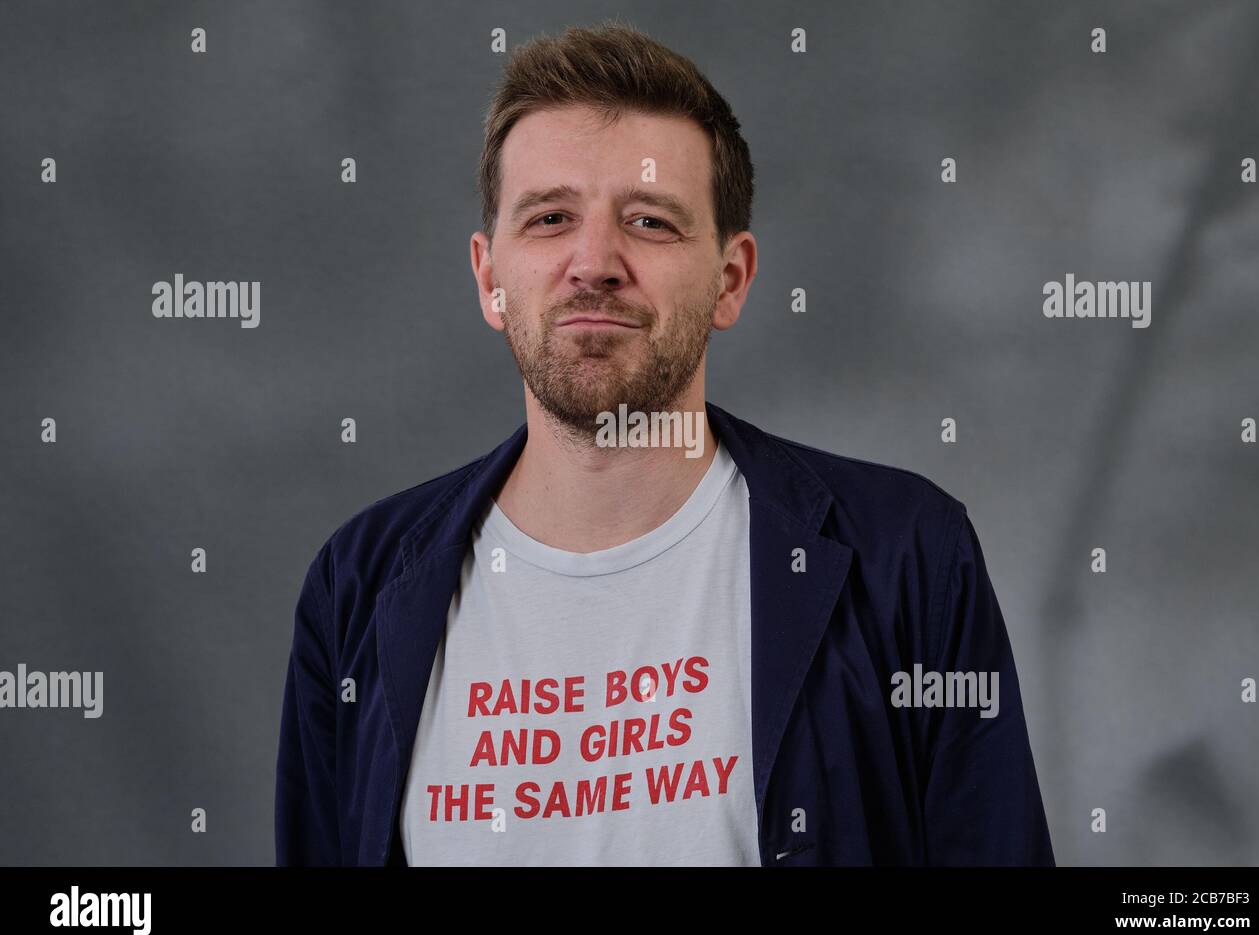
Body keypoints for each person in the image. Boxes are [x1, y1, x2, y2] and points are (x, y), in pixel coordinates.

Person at [275, 20, 1054, 866]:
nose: (594, 261)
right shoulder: (358, 587)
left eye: (649, 221)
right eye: (549, 218)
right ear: (489, 277)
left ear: (731, 279)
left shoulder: (906, 558)